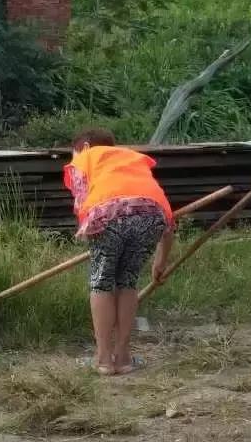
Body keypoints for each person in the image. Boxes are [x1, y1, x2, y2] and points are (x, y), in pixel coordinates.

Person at [63, 128, 174, 376]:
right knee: (127, 281)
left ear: (85, 147)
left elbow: (82, 202)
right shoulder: (130, 158)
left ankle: (103, 360)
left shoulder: (86, 157)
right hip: (153, 215)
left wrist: (92, 233)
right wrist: (160, 262)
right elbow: (168, 222)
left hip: (108, 213)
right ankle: (123, 359)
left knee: (102, 282)